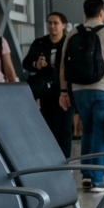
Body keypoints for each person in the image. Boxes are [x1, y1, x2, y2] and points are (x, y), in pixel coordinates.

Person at [58, 0, 104, 193]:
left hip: (79, 90)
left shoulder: (73, 32)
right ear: (102, 12)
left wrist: (64, 91)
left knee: (88, 131)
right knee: (100, 133)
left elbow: (64, 65)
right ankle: (98, 180)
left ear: (85, 13)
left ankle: (88, 175)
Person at [22, 11, 73, 157]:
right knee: (48, 126)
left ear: (64, 25)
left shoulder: (69, 43)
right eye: (49, 23)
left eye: (56, 23)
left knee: (63, 126)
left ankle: (65, 160)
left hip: (65, 90)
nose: (52, 26)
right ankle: (50, 158)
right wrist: (35, 64)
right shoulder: (40, 43)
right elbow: (26, 63)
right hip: (46, 90)